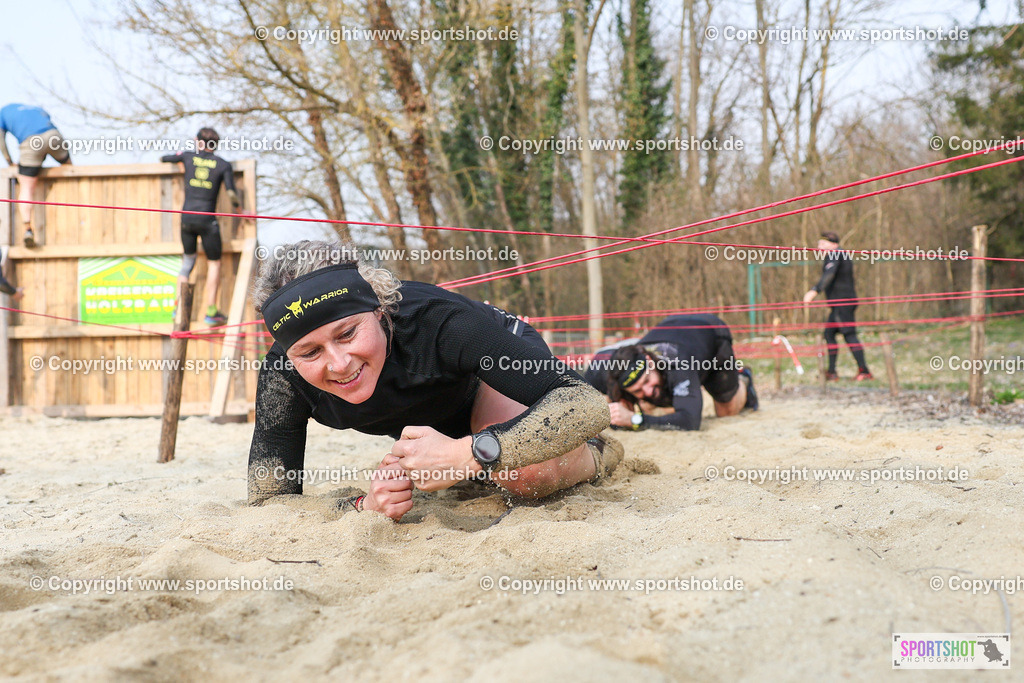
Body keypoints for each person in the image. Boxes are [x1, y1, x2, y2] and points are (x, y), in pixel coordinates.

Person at [246, 240, 622, 521]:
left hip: (488, 377)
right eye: (310, 352)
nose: (340, 364)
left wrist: (469, 454)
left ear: (378, 311)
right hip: (436, 417)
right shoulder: (283, 377)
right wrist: (365, 504)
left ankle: (599, 452)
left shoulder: (436, 321)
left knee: (524, 474)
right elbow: (269, 502)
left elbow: (585, 402)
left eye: (347, 334)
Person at [584, 314, 757, 431]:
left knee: (727, 411)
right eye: (637, 390)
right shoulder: (606, 372)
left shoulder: (678, 365)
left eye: (647, 380)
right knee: (652, 403)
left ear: (650, 360)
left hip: (710, 334)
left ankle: (743, 378)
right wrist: (614, 408)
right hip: (671, 328)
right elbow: (585, 393)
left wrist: (634, 420)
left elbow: (690, 421)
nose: (648, 390)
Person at [161, 128, 239, 325]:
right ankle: (211, 312)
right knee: (214, 263)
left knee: (187, 262)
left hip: (187, 219)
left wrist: (182, 160)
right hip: (207, 221)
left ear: (198, 141)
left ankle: (178, 308)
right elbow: (231, 193)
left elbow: (164, 158)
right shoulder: (223, 164)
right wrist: (241, 210)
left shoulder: (188, 157)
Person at [802, 231, 872, 381]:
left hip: (843, 303)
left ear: (834, 244)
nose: (819, 247)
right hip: (838, 305)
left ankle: (864, 371)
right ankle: (832, 372)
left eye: (823, 244)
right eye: (819, 244)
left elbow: (829, 275)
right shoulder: (836, 255)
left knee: (849, 334)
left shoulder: (836, 254)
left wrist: (814, 291)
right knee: (829, 334)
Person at [0, 104, 72, 247]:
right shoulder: (37, 109)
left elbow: (1, 141)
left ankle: (28, 229)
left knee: (26, 187)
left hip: (31, 142)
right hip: (53, 136)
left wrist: (9, 161)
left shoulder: (3, 113)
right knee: (69, 168)